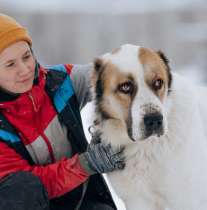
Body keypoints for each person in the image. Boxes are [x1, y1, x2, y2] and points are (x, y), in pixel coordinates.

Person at [0, 13, 125, 210]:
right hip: (33, 204)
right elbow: (33, 189)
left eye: (26, 56)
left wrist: (140, 69)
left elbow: (107, 75)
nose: (24, 69)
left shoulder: (60, 82)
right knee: (23, 188)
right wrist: (87, 164)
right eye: (10, 64)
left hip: (80, 201)